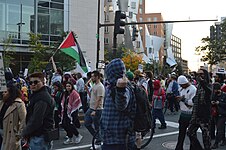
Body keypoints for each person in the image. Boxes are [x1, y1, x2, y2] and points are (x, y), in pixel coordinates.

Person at [101, 58, 136, 150]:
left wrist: (121, 90)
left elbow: (121, 105)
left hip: (118, 139)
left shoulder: (125, 87)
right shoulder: (112, 86)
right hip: (110, 136)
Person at [21, 72, 55, 149]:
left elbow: (36, 119)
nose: (33, 84)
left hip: (40, 136)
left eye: (36, 82)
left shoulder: (42, 98)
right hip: (38, 135)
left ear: (43, 82)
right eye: (30, 82)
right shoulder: (37, 95)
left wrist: (24, 132)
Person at [187, 68, 212, 150]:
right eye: (198, 74)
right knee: (190, 132)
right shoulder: (199, 86)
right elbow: (196, 98)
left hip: (204, 116)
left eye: (201, 74)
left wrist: (202, 82)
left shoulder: (209, 85)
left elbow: (209, 92)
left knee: (206, 138)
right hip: (196, 114)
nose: (199, 76)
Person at [0, 84, 26, 150]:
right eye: (3, 92)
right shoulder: (2, 102)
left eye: (6, 92)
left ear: (11, 93)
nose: (3, 93)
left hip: (11, 133)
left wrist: (18, 135)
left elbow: (23, 120)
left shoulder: (19, 104)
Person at [84, 70, 105, 149]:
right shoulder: (94, 85)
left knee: (97, 126)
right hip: (91, 108)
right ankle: (98, 138)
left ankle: (98, 141)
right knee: (87, 123)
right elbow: (92, 96)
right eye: (91, 76)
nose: (91, 78)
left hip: (97, 109)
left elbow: (99, 99)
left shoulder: (100, 86)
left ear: (97, 77)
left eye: (93, 76)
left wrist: (95, 110)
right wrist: (87, 89)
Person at [175, 75, 197, 150]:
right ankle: (179, 148)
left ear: (185, 83)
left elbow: (193, 102)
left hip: (191, 115)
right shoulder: (181, 89)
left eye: (181, 85)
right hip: (183, 114)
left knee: (191, 134)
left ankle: (193, 148)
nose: (181, 86)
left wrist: (183, 100)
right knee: (181, 133)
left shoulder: (193, 89)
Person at [211, 82, 226, 149]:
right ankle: (224, 140)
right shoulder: (214, 95)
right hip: (215, 113)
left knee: (219, 129)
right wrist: (212, 103)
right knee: (220, 128)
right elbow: (211, 101)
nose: (214, 91)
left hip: (222, 114)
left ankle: (216, 143)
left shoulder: (224, 95)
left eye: (215, 89)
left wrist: (219, 103)